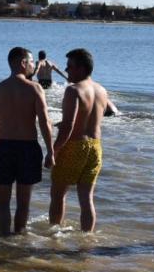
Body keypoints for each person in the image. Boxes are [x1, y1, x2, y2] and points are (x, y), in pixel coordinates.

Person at [0, 47, 54, 235]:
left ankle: (3, 237)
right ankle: (18, 238)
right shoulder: (34, 88)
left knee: (2, 202)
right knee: (23, 203)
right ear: (23, 63)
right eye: (31, 62)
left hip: (4, 147)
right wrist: (51, 151)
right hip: (27, 148)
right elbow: (44, 122)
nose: (33, 65)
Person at [48, 49, 113, 232]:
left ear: (82, 68)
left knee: (58, 194)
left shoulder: (73, 90)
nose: (66, 71)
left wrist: (53, 150)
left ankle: (54, 236)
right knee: (86, 198)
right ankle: (87, 240)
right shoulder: (101, 90)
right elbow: (99, 114)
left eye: (70, 67)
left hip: (75, 147)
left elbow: (68, 126)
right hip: (95, 147)